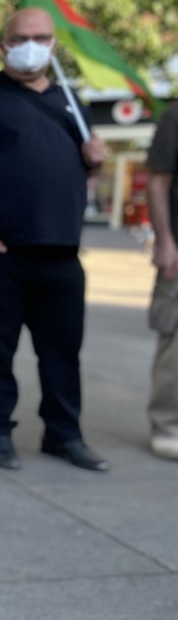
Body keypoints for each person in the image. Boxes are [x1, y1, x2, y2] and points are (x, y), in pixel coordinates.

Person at [0, 8, 109, 472]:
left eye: (41, 37)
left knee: (62, 355)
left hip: (61, 254)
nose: (31, 45)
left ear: (53, 45)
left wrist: (95, 161)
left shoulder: (72, 103)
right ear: (3, 46)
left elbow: (78, 172)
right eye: (20, 38)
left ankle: (64, 435)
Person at [144, 100, 178, 459]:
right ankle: (169, 424)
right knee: (175, 343)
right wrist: (165, 240)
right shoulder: (175, 115)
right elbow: (158, 182)